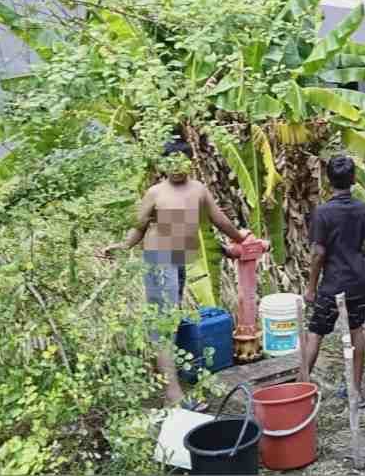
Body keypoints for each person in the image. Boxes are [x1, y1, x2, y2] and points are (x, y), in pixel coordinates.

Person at [100, 140, 266, 409]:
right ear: (163, 165)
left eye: (181, 161)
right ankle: (173, 398)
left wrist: (239, 237)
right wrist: (123, 246)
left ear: (190, 162)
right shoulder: (155, 193)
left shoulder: (198, 189)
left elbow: (218, 218)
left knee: (171, 321)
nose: (176, 168)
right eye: (170, 162)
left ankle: (171, 384)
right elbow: (139, 227)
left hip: (178, 258)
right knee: (164, 327)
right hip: (158, 260)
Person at [301, 155, 365, 408]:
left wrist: (311, 286)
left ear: (328, 181)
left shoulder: (323, 212)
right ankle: (356, 392)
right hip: (357, 282)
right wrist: (354, 255)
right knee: (356, 331)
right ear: (354, 179)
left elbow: (319, 253)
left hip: (332, 285)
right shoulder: (361, 209)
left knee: (315, 333)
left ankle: (301, 390)